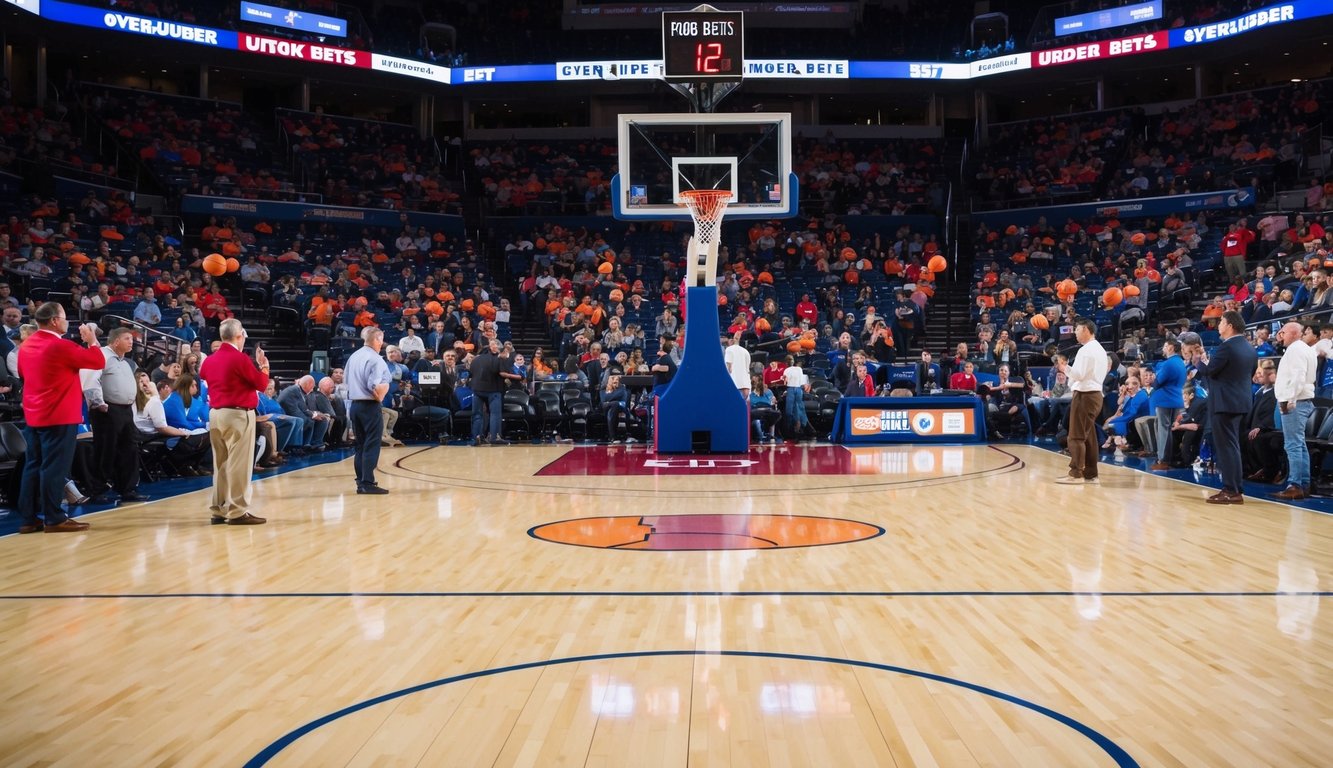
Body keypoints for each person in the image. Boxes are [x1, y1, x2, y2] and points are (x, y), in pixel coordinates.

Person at [16, 302, 105, 533]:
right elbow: (97, 361)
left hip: (34, 414)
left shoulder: (26, 346)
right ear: (55, 320)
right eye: (65, 317)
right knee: (54, 468)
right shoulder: (60, 345)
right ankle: (54, 518)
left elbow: (23, 375)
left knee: (33, 466)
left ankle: (28, 518)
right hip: (59, 414)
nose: (67, 322)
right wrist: (91, 340)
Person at [198, 318, 270, 525]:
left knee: (220, 464)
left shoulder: (209, 360)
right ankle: (237, 511)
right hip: (237, 414)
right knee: (239, 465)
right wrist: (264, 367)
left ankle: (219, 509)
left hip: (216, 414)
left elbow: (204, 375)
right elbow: (261, 384)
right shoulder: (239, 359)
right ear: (239, 336)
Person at [1191, 310, 1259, 504]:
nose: (1218, 324)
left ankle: (1231, 490)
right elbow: (1250, 373)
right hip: (1241, 402)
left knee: (1226, 447)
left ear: (1229, 325)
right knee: (1232, 446)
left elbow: (1210, 371)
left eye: (1221, 321)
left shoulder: (1226, 347)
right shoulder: (1248, 347)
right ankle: (1235, 487)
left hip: (1224, 403)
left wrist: (1198, 361)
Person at [84, 327, 149, 504]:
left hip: (125, 410)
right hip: (107, 410)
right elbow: (90, 380)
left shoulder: (125, 361)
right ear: (115, 341)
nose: (131, 342)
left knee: (129, 450)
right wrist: (98, 403)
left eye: (132, 339)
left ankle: (127, 489)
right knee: (105, 450)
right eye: (127, 338)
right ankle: (97, 490)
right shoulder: (102, 355)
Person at [1056, 317, 1109, 485]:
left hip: (1085, 395)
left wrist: (1065, 368)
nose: (1075, 333)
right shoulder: (1100, 349)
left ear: (1086, 329)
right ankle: (1091, 474)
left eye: (1077, 330)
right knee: (1089, 437)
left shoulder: (1086, 350)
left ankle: (1076, 473)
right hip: (1095, 395)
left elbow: (1078, 375)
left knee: (1076, 436)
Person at [1271, 322, 1317, 499]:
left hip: (1295, 401)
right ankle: (1303, 484)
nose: (1280, 336)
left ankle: (1295, 484)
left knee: (1293, 444)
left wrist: (1290, 399)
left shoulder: (1296, 350)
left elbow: (1298, 376)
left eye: (1282, 332)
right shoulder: (1304, 348)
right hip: (1301, 400)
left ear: (1293, 333)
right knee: (1299, 444)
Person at [345, 326, 391, 494]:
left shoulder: (354, 356)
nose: (382, 343)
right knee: (372, 444)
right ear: (377, 339)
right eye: (381, 340)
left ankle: (360, 482)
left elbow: (345, 380)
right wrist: (382, 393)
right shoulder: (375, 359)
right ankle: (368, 483)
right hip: (369, 405)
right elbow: (374, 386)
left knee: (360, 445)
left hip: (355, 405)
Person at [469, 337, 520, 445]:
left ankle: (476, 437)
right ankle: (494, 437)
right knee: (495, 414)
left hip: (477, 389)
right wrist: (517, 377)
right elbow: (502, 373)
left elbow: (471, 372)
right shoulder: (499, 359)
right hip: (493, 389)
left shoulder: (476, 359)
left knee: (477, 414)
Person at [1148, 339, 1187, 471]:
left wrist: (1153, 380)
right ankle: (1167, 458)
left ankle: (1163, 459)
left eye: (1165, 346)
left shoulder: (1168, 363)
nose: (1163, 349)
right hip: (1176, 398)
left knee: (1163, 430)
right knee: (1168, 429)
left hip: (1165, 399)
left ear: (1170, 348)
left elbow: (1158, 382)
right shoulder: (1181, 362)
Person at [724, 331, 752, 401]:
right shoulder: (746, 351)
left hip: (734, 383)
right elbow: (748, 368)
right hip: (746, 384)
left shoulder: (729, 349)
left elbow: (728, 367)